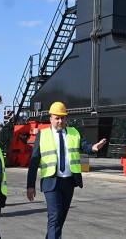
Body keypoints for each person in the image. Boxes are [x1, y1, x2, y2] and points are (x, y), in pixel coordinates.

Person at [27, 102, 107, 239]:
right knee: (55, 216)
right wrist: (30, 185)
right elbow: (34, 162)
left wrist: (93, 147)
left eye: (63, 118)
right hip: (51, 182)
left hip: (69, 182)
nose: (60, 121)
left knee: (60, 218)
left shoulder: (73, 132)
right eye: (57, 118)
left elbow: (84, 146)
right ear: (50, 118)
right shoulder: (43, 135)